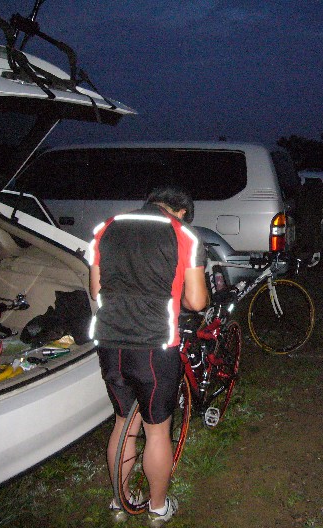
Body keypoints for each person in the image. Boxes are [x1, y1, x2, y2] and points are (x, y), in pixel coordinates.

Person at [88, 185, 208, 522]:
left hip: (109, 341)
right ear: (181, 211)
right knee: (156, 430)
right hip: (154, 346)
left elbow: (96, 290)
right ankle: (157, 507)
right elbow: (197, 301)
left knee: (123, 422)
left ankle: (120, 500)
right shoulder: (183, 233)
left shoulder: (107, 227)